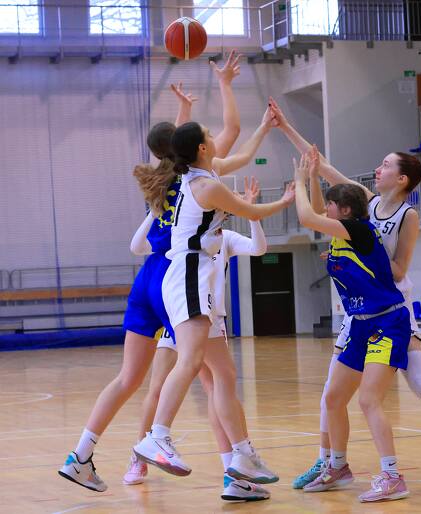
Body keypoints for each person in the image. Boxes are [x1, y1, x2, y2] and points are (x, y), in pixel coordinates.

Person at [269, 99, 421, 492]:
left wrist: (361, 257)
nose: (378, 169)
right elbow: (321, 165)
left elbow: (399, 269)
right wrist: (285, 127)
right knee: (332, 393)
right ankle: (329, 462)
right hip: (361, 311)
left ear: (402, 179)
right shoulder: (367, 202)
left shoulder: (407, 216)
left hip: (393, 305)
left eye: (385, 165)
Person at [59, 53, 245, 492]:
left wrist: (182, 109)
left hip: (145, 278)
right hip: (175, 279)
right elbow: (233, 131)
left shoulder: (160, 176)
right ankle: (233, 470)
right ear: (194, 147)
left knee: (132, 378)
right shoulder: (198, 178)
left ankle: (81, 455)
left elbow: (176, 143)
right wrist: (224, 84)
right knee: (212, 377)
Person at [132, 116, 295, 478]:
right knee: (189, 361)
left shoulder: (197, 178)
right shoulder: (205, 186)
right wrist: (285, 200)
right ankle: (157, 437)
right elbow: (252, 211)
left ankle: (242, 455)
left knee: (224, 373)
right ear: (203, 147)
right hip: (190, 275)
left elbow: (235, 144)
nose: (215, 136)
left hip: (191, 276)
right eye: (209, 134)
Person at [123, 177, 272, 502]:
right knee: (162, 388)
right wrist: (154, 211)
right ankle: (142, 454)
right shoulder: (183, 232)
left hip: (209, 319)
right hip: (183, 314)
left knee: (217, 390)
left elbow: (259, 249)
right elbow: (138, 246)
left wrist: (253, 215)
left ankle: (233, 471)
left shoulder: (226, 238)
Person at [293, 149, 410, 502]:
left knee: (369, 400)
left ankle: (392, 476)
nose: (324, 210)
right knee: (333, 399)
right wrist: (315, 177)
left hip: (387, 321)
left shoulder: (358, 230)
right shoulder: (341, 231)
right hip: (360, 325)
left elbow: (306, 216)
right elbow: (316, 211)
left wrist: (299, 181)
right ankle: (339, 467)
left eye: (331, 206)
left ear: (344, 211)